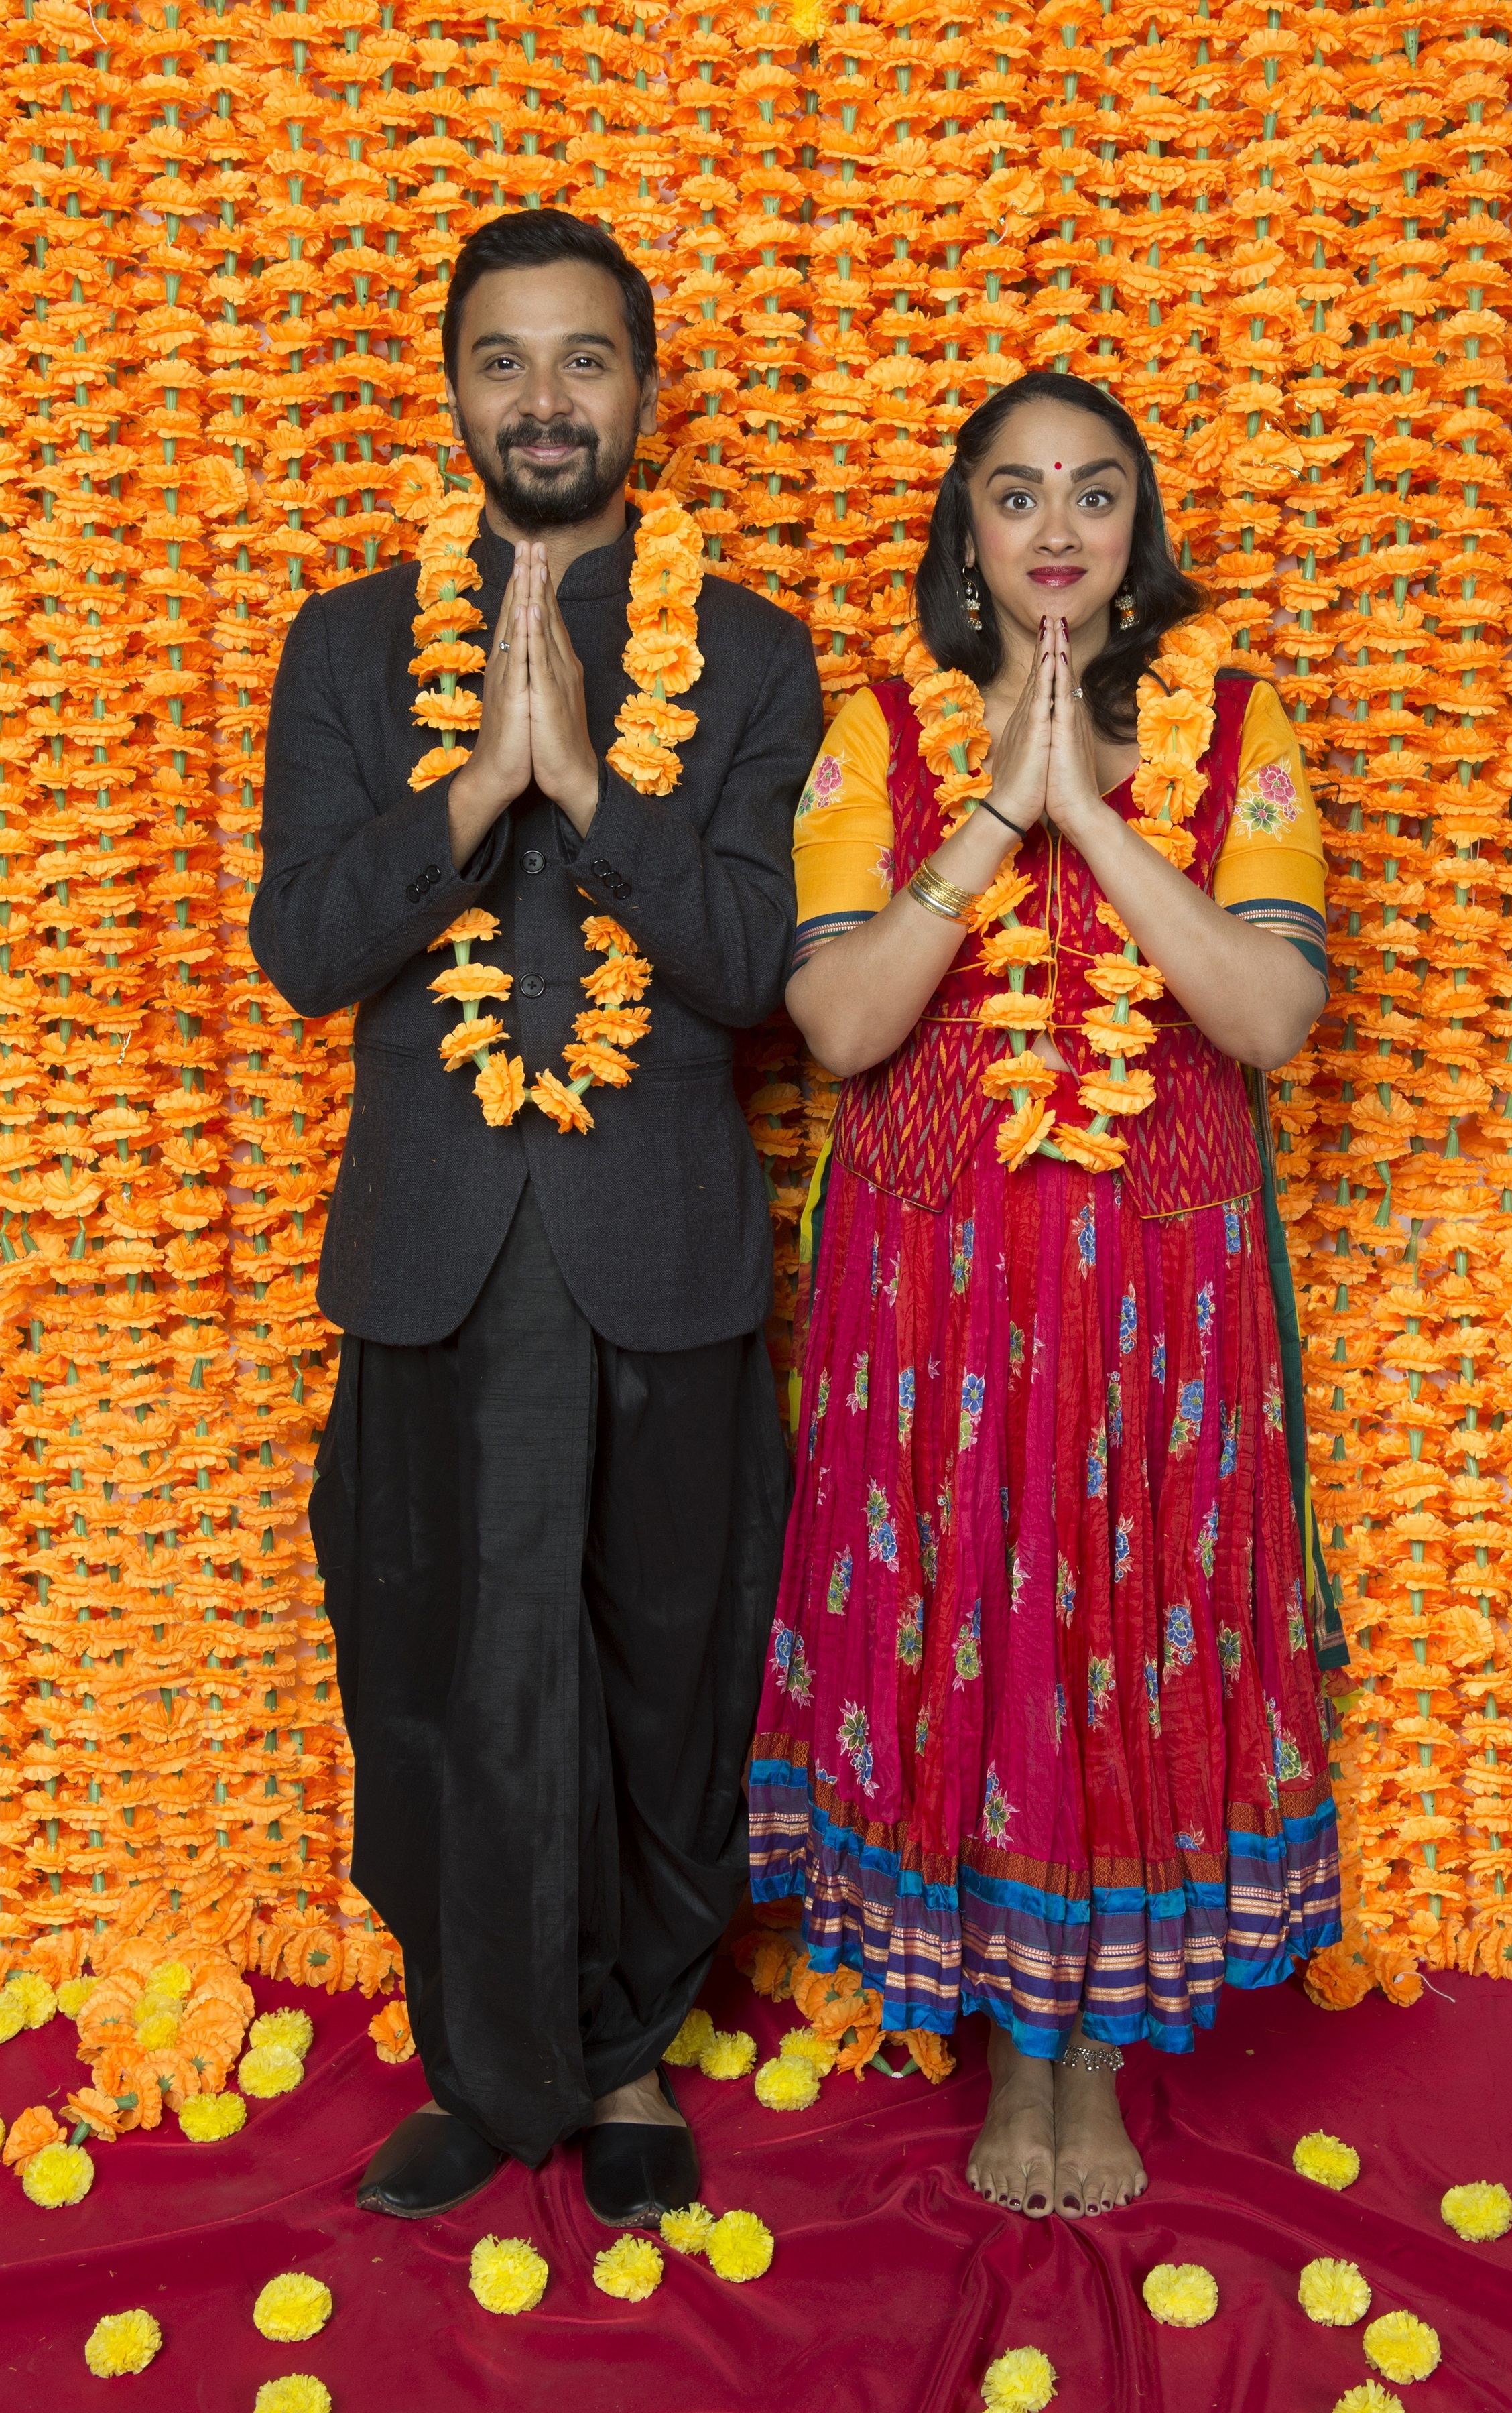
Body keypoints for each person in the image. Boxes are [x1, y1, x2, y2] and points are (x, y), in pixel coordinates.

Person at [251, 208, 820, 2223]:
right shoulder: (347, 645)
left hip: (654, 1249)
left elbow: (755, 972)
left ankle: (627, 2054)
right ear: (456, 392)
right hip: (436, 1250)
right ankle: (482, 2071)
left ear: (643, 392)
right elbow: (304, 950)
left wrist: (589, 790)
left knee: (665, 1660)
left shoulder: (751, 654)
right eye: (505, 361)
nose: (546, 399)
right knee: (431, 1664)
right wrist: (477, 789)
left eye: (585, 359)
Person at [748, 371, 1342, 2225]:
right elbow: (839, 1027)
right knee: (975, 1630)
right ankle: (1019, 2043)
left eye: (1095, 490)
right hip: (933, 1288)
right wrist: (1003, 805)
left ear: (1137, 529)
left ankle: (1098, 2046)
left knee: (1125, 1630)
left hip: (1161, 1288)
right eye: (1015, 494)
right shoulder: (878, 735)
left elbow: (1268, 1015)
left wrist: (1096, 813)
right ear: (968, 536)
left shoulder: (1234, 729)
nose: (1058, 525)